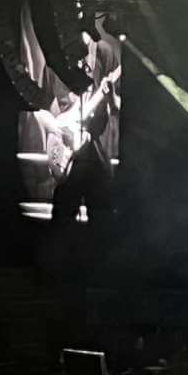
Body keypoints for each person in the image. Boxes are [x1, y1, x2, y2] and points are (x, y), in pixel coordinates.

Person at [37, 25, 122, 228]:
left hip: (94, 150)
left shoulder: (103, 52)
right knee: (63, 216)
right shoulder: (52, 65)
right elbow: (40, 110)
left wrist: (108, 95)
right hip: (68, 149)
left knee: (100, 214)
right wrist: (60, 129)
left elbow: (117, 106)